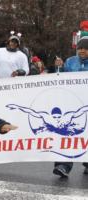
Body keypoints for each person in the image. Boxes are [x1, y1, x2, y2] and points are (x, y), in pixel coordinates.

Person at [52, 36, 88, 178]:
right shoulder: (70, 62)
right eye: (80, 48)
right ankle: (63, 165)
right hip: (72, 106)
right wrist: (58, 67)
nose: (82, 51)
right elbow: (60, 79)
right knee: (67, 134)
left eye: (85, 48)